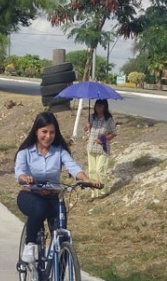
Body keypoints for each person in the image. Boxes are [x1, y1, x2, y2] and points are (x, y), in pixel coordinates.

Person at [14, 112, 101, 263]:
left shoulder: (59, 151)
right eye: (44, 132)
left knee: (61, 234)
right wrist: (24, 178)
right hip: (30, 196)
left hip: (53, 196)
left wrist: (86, 180)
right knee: (39, 208)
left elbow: (73, 167)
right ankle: (30, 244)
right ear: (36, 131)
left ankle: (60, 279)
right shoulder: (25, 152)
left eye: (52, 132)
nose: (48, 136)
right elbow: (19, 172)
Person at [84, 99, 117, 198]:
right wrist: (87, 126)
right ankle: (94, 193)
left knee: (100, 170)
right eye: (97, 106)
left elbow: (114, 133)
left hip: (102, 148)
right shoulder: (91, 117)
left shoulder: (109, 119)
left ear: (105, 107)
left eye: (101, 106)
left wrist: (104, 139)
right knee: (92, 171)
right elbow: (87, 131)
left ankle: (104, 190)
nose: (99, 108)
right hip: (91, 147)